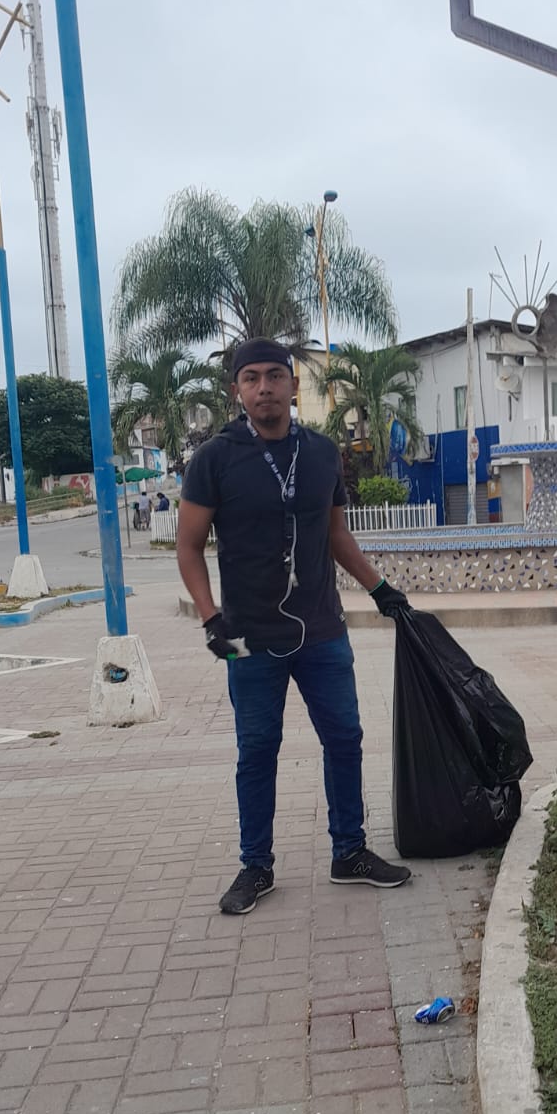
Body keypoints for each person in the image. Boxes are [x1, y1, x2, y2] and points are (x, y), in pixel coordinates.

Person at [177, 337, 412, 915]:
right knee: (257, 750)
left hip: (323, 631)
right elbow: (188, 546)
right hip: (246, 637)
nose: (264, 388)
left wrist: (381, 590)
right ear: (237, 389)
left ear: (293, 385)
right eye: (251, 378)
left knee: (346, 739)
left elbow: (336, 535)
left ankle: (349, 852)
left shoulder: (323, 453)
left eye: (274, 376)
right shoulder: (214, 459)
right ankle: (255, 866)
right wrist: (211, 619)